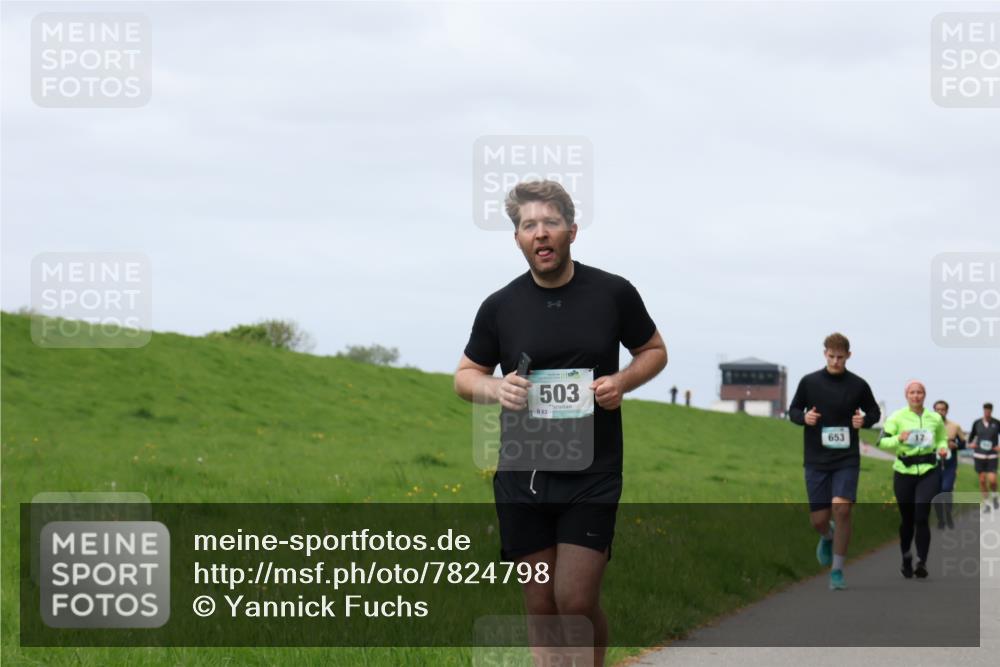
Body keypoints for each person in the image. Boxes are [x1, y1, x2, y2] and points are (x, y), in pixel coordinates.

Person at [453, 180, 667, 667]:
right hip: (523, 469)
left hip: (593, 468)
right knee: (540, 604)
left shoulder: (612, 293)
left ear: (572, 231)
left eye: (550, 223)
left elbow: (653, 351)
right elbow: (465, 376)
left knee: (573, 599)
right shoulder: (501, 306)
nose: (540, 233)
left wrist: (622, 381)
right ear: (517, 239)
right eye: (529, 225)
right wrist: (495, 389)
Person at [788, 333, 880, 590]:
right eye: (832, 356)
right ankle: (826, 536)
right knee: (819, 520)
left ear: (848, 356)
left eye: (841, 357)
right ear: (824, 353)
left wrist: (865, 421)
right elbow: (793, 410)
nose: (836, 361)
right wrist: (804, 418)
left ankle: (837, 571)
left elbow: (874, 411)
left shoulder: (858, 385)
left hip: (846, 458)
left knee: (842, 509)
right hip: (816, 458)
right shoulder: (809, 382)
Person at [878, 381, 949, 579]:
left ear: (924, 395)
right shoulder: (897, 417)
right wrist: (899, 438)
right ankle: (906, 556)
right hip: (903, 471)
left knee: (921, 516)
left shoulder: (934, 418)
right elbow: (882, 441)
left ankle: (922, 562)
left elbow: (942, 438)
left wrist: (943, 448)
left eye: (919, 392)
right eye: (912, 392)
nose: (916, 396)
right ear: (906, 395)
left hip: (928, 471)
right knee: (907, 519)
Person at [932, 400, 966, 528]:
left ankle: (948, 514)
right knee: (936, 491)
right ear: (934, 410)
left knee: (946, 489)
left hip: (950, 464)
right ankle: (941, 519)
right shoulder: (929, 426)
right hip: (933, 463)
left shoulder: (954, 426)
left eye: (943, 409)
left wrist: (956, 445)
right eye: (938, 409)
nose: (940, 412)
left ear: (947, 411)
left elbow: (963, 443)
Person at [969, 402, 1000, 512]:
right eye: (985, 410)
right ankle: (987, 504)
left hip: (992, 455)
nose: (987, 412)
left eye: (989, 410)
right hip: (979, 455)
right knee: (982, 480)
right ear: (983, 410)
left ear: (991, 411)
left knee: (992, 480)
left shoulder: (996, 423)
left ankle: (995, 497)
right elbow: (971, 437)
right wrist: (971, 444)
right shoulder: (977, 423)